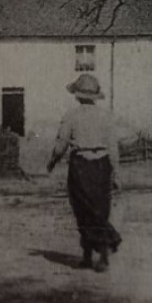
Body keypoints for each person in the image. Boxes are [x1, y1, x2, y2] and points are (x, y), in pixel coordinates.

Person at [45, 74, 123, 271]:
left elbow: (61, 143)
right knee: (100, 209)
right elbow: (113, 147)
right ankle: (101, 253)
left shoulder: (71, 115)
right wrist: (116, 173)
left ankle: (90, 255)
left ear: (77, 96)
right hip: (102, 166)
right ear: (96, 97)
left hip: (81, 165)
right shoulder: (107, 116)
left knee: (82, 210)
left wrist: (53, 161)